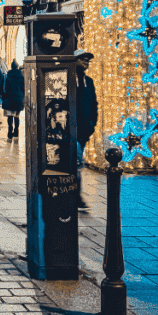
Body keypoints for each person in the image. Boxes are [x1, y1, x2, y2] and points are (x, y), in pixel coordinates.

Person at [75, 50, 98, 210]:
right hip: (70, 130)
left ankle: (75, 195)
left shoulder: (88, 81)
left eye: (87, 60)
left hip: (84, 130)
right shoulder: (67, 80)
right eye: (82, 59)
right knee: (76, 163)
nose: (86, 62)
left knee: (76, 163)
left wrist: (92, 124)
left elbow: (94, 105)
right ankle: (76, 196)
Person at [2, 60, 25, 139]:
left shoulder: (8, 75)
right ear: (17, 67)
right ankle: (16, 131)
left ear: (11, 67)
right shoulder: (21, 76)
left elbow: (5, 87)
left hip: (9, 98)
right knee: (16, 116)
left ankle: (9, 130)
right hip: (18, 98)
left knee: (10, 116)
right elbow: (23, 88)